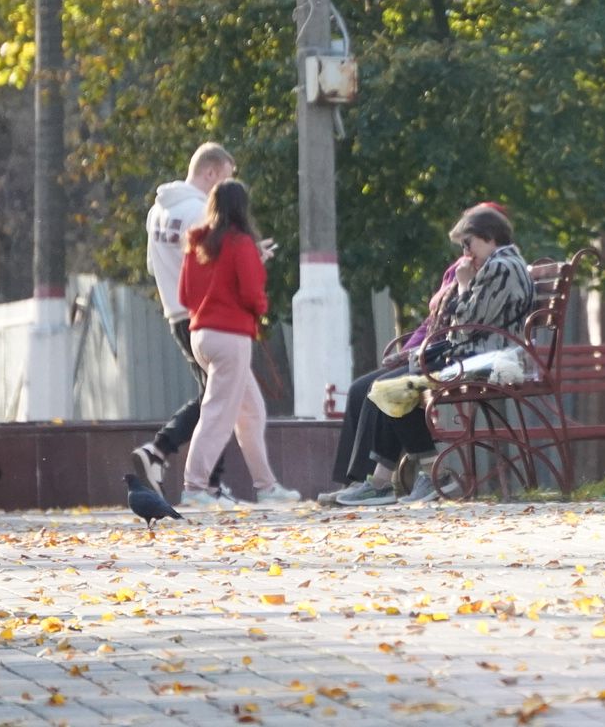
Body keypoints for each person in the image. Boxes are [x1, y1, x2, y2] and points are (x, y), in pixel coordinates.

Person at [329, 203, 536, 507]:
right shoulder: (499, 264)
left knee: (392, 388)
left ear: (489, 237)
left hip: (484, 358)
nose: (466, 252)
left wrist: (464, 284)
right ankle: (396, 480)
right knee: (390, 387)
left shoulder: (501, 267)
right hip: (475, 353)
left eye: (469, 243)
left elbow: (466, 325)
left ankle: (422, 476)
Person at [135, 143, 270, 508]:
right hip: (210, 315)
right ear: (211, 173)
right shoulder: (199, 211)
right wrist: (253, 258)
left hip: (178, 311)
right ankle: (190, 473)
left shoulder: (158, 211)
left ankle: (237, 483)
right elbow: (220, 266)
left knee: (222, 396)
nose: (226, 188)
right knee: (218, 400)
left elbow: (153, 265)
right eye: (226, 178)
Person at [176, 179, 300, 509]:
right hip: (231, 337)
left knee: (251, 411)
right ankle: (195, 486)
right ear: (241, 207)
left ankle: (267, 485)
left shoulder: (197, 244)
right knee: (219, 413)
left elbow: (185, 296)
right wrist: (259, 302)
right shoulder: (241, 243)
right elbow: (251, 294)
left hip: (201, 335)